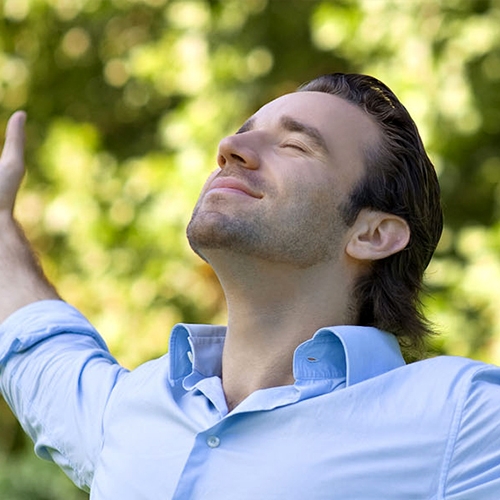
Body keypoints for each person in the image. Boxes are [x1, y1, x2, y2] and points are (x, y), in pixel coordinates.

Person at [0, 73, 499, 499]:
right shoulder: (133, 410)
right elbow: (38, 342)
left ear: (372, 234)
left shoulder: (464, 420)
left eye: (295, 145)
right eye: (244, 133)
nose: (229, 148)